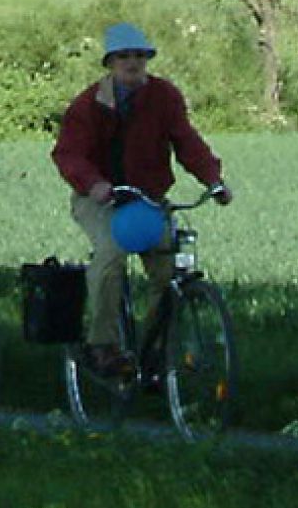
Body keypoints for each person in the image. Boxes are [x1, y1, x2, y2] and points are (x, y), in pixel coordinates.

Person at [54, 21, 226, 377]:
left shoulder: (164, 97)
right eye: (123, 57)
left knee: (168, 270)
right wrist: (94, 183)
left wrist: (213, 179)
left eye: (139, 56)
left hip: (147, 199)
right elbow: (68, 154)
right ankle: (101, 345)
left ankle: (154, 352)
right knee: (111, 254)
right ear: (110, 63)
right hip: (98, 199)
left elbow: (187, 142)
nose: (132, 63)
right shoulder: (88, 106)